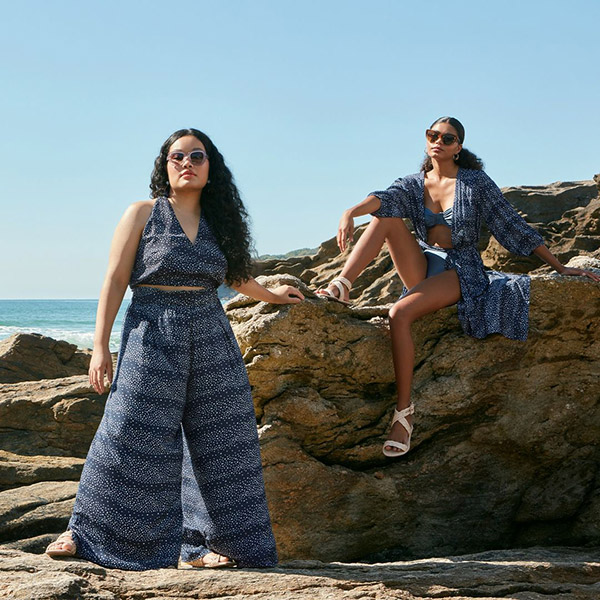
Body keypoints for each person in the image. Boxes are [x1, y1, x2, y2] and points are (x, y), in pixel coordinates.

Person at [45, 128, 304, 569]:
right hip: (152, 327)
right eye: (176, 156)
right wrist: (100, 347)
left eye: (197, 156)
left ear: (210, 168)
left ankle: (205, 546)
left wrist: (273, 295)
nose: (187, 163)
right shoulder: (143, 212)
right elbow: (114, 279)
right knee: (129, 430)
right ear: (164, 166)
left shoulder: (220, 222)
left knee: (222, 439)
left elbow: (236, 277)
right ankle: (83, 531)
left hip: (210, 332)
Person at [316, 116, 600, 459]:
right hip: (424, 266)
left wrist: (559, 267)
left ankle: (403, 415)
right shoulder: (413, 183)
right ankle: (342, 285)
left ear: (458, 147)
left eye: (447, 138)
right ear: (426, 140)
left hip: (462, 269)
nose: (439, 141)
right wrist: (350, 211)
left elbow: (510, 223)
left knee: (399, 314)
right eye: (433, 135)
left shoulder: (474, 182)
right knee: (384, 217)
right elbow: (383, 198)